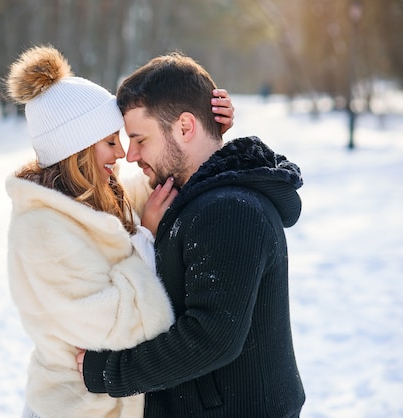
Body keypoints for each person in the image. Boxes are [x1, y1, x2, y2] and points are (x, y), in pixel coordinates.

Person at [4, 46, 234, 418]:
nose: (122, 153)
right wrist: (145, 237)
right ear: (76, 150)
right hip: (77, 408)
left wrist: (207, 130)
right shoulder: (42, 229)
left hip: (117, 403)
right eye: (111, 141)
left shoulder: (102, 195)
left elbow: (170, 173)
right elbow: (122, 327)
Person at [77, 52, 306, 417]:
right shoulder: (194, 196)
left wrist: (106, 371)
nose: (131, 155)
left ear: (185, 127)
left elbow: (210, 338)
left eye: (139, 139)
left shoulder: (230, 210)